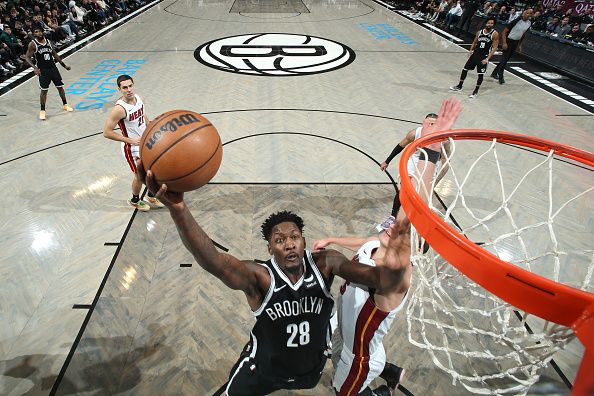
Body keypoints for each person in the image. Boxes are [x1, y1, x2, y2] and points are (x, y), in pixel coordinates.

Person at [136, 97, 464, 395]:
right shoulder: (261, 277)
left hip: (321, 366)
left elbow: (403, 236)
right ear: (270, 250)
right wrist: (179, 210)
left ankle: (382, 380)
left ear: (305, 243)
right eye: (279, 240)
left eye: (294, 237)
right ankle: (387, 373)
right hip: (264, 368)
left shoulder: (328, 264)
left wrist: (432, 151)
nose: (289, 244)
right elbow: (215, 261)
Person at [312, 225, 407, 396]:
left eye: (403, 231)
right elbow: (362, 242)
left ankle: (383, 393)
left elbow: (399, 272)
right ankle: (392, 372)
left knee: (343, 391)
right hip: (346, 328)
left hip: (358, 358)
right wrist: (331, 239)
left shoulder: (393, 281)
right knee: (332, 352)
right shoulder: (375, 244)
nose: (392, 225)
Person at [102, 74, 163, 211]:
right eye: (125, 87)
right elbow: (107, 132)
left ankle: (151, 195)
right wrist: (130, 140)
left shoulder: (140, 98)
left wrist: (150, 124)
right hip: (132, 147)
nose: (129, 89)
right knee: (140, 176)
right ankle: (135, 200)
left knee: (155, 169)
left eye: (130, 86)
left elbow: (142, 114)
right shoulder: (119, 109)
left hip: (146, 142)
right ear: (119, 89)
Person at [379, 113, 451, 217]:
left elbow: (445, 161)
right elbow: (400, 146)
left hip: (430, 164)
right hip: (414, 161)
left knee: (421, 194)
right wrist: (387, 161)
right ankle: (393, 216)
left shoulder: (444, 140)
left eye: (433, 124)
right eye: (428, 123)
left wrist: (436, 182)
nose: (429, 126)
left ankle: (412, 217)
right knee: (404, 189)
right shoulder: (415, 133)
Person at [24, 26, 73, 120]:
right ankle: (42, 111)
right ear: (34, 34)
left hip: (53, 68)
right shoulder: (32, 44)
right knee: (44, 91)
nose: (39, 33)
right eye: (36, 32)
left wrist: (64, 65)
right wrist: (34, 68)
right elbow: (27, 57)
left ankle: (65, 104)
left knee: (60, 87)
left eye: (39, 31)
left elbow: (54, 54)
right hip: (43, 71)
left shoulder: (48, 42)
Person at [450, 17, 499, 98]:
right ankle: (459, 86)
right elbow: (474, 42)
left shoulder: (494, 34)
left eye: (492, 23)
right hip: (475, 54)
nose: (490, 24)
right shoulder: (479, 32)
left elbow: (494, 48)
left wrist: (487, 59)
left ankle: (475, 91)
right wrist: (470, 50)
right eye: (488, 23)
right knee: (465, 69)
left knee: (480, 74)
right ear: (486, 23)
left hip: (483, 56)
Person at [490, 8, 534, 84]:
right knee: (504, 59)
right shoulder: (516, 21)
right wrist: (504, 43)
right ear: (524, 13)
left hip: (516, 42)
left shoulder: (529, 23)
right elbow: (504, 32)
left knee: (506, 59)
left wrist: (520, 45)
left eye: (530, 14)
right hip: (508, 41)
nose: (529, 15)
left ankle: (494, 73)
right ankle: (501, 76)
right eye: (527, 13)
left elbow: (523, 34)